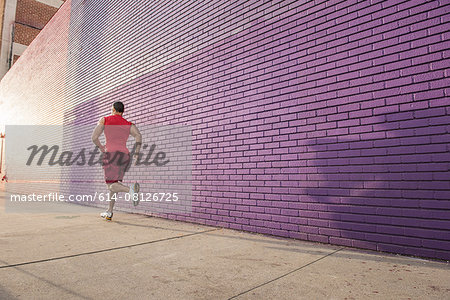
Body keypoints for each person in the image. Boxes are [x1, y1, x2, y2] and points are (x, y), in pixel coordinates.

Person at [91, 101, 142, 221]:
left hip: (111, 155)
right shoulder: (128, 124)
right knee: (114, 184)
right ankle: (109, 212)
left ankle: (130, 190)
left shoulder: (105, 119)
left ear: (113, 109)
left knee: (111, 186)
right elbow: (138, 136)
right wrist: (137, 152)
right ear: (122, 111)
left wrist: (101, 147)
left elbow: (94, 137)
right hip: (124, 156)